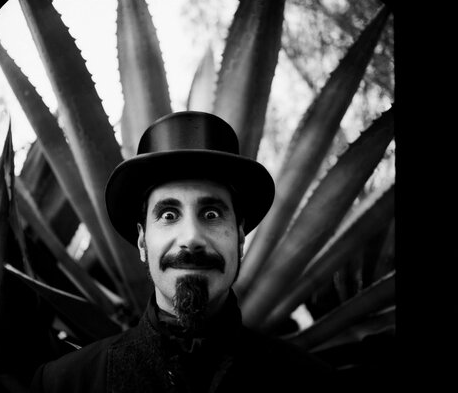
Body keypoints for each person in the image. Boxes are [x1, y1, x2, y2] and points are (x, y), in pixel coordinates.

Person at [30, 111, 337, 393]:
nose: (191, 238)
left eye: (212, 214)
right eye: (168, 215)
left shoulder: (313, 383)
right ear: (142, 241)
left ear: (240, 236)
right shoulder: (66, 384)